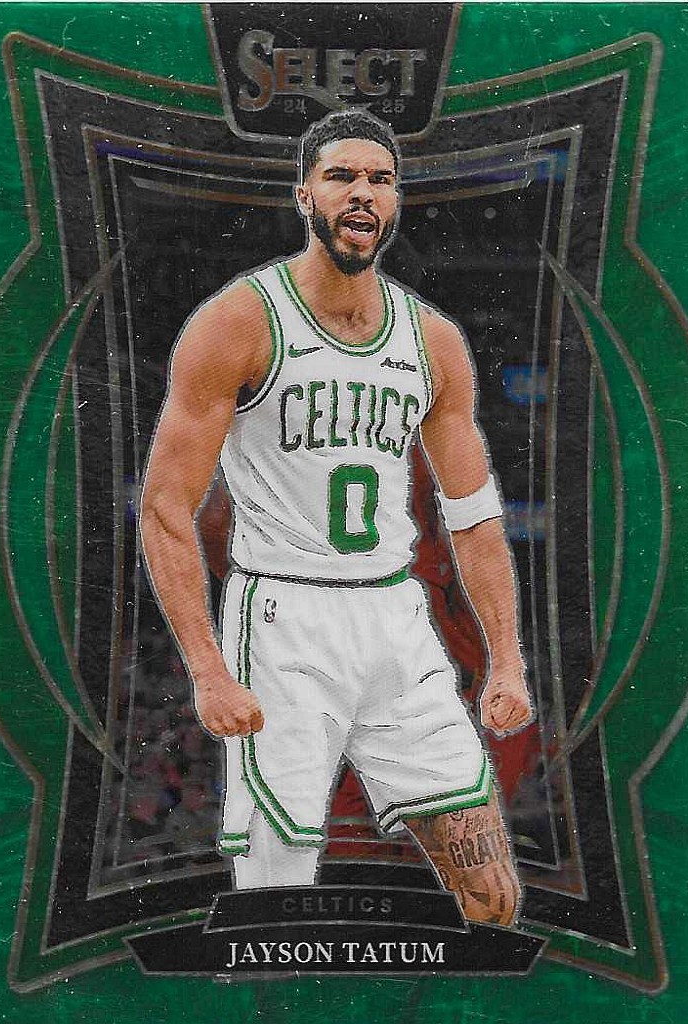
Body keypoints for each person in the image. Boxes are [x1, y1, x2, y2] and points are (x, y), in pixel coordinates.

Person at [140, 110, 534, 926]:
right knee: (275, 896)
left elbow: (473, 515)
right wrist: (208, 670)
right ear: (304, 195)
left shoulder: (433, 340)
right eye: (342, 176)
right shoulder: (240, 320)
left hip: (395, 618)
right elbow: (166, 507)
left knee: (492, 892)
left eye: (381, 179)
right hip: (283, 619)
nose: (363, 193)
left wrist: (506, 661)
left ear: (396, 202)